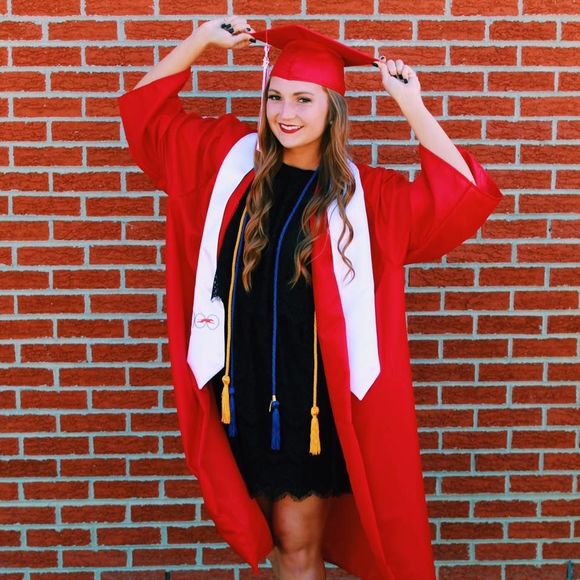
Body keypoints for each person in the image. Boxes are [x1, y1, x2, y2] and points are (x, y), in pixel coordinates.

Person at [118, 15, 504, 580]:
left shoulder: (365, 197)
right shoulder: (228, 162)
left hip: (313, 404)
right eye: (275, 96)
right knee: (277, 544)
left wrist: (412, 106)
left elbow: (459, 198)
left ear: (333, 109)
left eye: (304, 99)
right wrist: (199, 40)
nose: (286, 113)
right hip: (241, 390)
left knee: (298, 547)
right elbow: (145, 114)